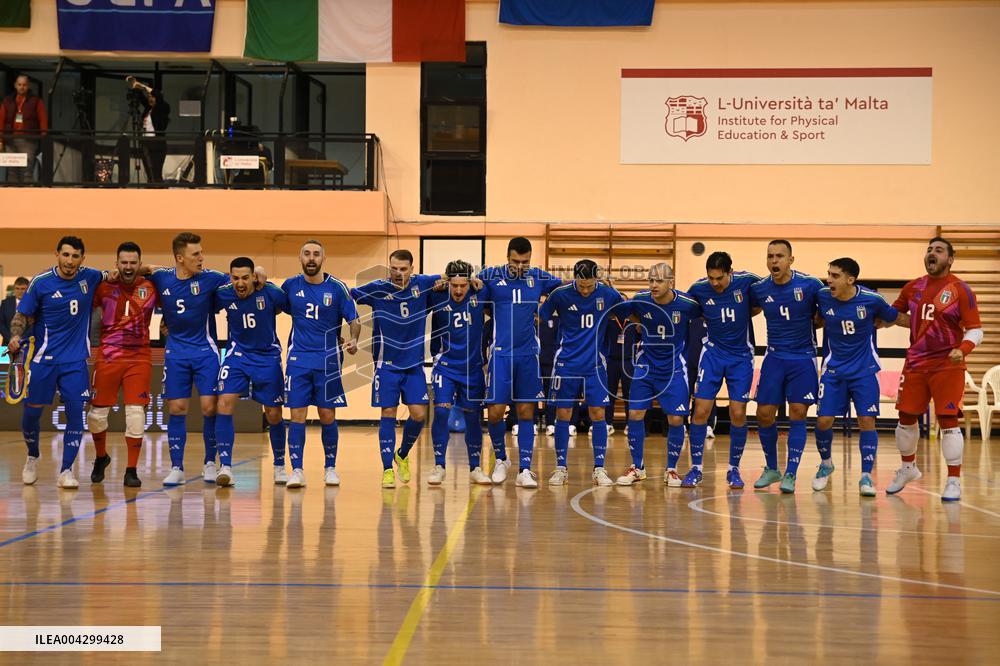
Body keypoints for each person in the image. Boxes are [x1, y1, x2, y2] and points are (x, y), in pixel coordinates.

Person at [886, 237, 983, 501]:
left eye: (939, 250)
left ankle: (953, 481)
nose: (932, 253)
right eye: (929, 250)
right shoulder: (912, 287)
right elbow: (895, 315)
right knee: (905, 418)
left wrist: (961, 350)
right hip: (915, 363)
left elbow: (976, 330)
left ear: (950, 259)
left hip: (947, 366)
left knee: (948, 421)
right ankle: (908, 468)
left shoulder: (960, 289)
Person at [9, 237, 106, 488]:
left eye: (75, 256)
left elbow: (119, 273)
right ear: (57, 255)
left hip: (75, 362)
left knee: (76, 414)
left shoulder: (91, 277)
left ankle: (66, 470)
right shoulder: (41, 283)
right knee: (31, 415)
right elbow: (22, 315)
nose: (70, 261)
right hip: (44, 360)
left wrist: (150, 270)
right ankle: (32, 456)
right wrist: (16, 336)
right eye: (65, 255)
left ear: (82, 259)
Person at [351, 249, 441, 488]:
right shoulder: (377, 288)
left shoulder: (423, 284)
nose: (398, 273)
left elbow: (449, 277)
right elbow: (347, 295)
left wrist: (466, 279)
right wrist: (350, 334)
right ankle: (387, 469)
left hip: (414, 364)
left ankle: (402, 454)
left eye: (403, 269)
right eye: (394, 268)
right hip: (386, 365)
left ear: (412, 269)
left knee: (419, 415)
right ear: (388, 267)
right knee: (387, 414)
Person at [477, 237, 563, 488]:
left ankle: (525, 468)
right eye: (516, 261)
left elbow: (565, 291)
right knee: (494, 413)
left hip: (528, 355)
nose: (520, 266)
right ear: (507, 257)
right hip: (501, 354)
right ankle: (501, 459)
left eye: (525, 261)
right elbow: (471, 290)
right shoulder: (491, 275)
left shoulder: (539, 277)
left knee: (527, 411)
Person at [147, 233, 231, 486]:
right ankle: (177, 467)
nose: (201, 258)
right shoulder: (162, 277)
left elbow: (240, 280)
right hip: (176, 353)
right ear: (180, 258)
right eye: (196, 254)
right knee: (176, 408)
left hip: (205, 352)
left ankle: (209, 462)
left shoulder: (212, 279)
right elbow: (143, 271)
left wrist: (258, 271)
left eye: (201, 253)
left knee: (209, 407)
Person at [812, 258, 898, 496]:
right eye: (828, 274)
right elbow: (815, 320)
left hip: (864, 371)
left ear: (850, 280)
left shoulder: (872, 300)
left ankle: (866, 477)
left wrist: (923, 328)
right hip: (833, 371)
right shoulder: (822, 296)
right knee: (823, 421)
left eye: (835, 275)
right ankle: (826, 464)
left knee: (867, 422)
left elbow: (894, 317)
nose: (829, 279)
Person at [281, 240, 360, 488]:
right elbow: (269, 304)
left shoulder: (337, 287)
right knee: (297, 415)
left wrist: (354, 339)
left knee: (327, 415)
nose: (311, 258)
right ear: (300, 258)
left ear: (323, 258)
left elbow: (354, 319)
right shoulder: (290, 286)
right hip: (298, 359)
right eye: (307, 254)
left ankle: (330, 468)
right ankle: (296, 470)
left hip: (328, 360)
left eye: (316, 254)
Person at [538, 260, 625, 486]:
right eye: (581, 285)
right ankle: (561, 468)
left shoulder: (608, 294)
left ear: (596, 279)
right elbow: (542, 314)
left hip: (595, 363)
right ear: (574, 278)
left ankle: (599, 468)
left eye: (589, 286)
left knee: (598, 414)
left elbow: (625, 309)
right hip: (566, 363)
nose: (585, 290)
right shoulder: (561, 294)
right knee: (563, 415)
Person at [749, 240, 824, 493]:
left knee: (798, 413)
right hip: (774, 356)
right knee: (764, 414)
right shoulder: (759, 288)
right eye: (770, 256)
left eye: (780, 256)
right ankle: (772, 469)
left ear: (791, 260)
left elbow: (825, 313)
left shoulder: (811, 284)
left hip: (803, 358)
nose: (774, 261)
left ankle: (791, 472)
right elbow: (748, 308)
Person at [617, 263, 702, 486]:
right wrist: (640, 325)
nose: (653, 285)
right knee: (635, 414)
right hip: (645, 366)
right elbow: (633, 314)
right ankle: (638, 467)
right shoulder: (641, 299)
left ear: (670, 281)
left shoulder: (687, 304)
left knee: (675, 418)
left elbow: (706, 313)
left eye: (659, 281)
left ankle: (672, 469)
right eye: (651, 280)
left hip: (673, 367)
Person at [686, 252, 761, 489]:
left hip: (741, 356)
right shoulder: (698, 289)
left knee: (738, 412)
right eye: (711, 278)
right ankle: (696, 468)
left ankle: (733, 469)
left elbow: (763, 300)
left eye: (720, 278)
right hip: (713, 355)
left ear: (730, 272)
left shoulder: (748, 280)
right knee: (700, 410)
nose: (715, 283)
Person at [88, 242, 159, 488]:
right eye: (124, 262)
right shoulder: (102, 287)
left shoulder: (152, 286)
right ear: (116, 263)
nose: (128, 267)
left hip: (139, 357)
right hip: (107, 356)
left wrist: (150, 269)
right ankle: (101, 457)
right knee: (96, 416)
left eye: (133, 262)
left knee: (136, 414)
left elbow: (171, 274)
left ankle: (131, 469)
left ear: (140, 264)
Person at [212, 258, 288, 488]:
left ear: (254, 277)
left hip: (267, 357)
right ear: (230, 277)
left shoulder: (271, 293)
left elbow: (298, 312)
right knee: (224, 403)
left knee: (273, 414)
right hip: (237, 356)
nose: (240, 283)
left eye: (245, 278)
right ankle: (225, 466)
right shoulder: (224, 293)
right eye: (235, 278)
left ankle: (279, 465)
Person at [427, 260, 492, 486]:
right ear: (447, 282)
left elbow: (500, 288)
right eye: (454, 285)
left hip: (472, 369)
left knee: (473, 418)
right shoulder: (436, 295)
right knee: (442, 412)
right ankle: (439, 465)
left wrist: (481, 282)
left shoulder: (481, 293)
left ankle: (475, 467)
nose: (458, 290)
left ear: (469, 282)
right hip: (445, 367)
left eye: (462, 285)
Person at [0, 74, 48, 183]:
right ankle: (12, 197)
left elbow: (43, 120)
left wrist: (43, 138)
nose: (22, 87)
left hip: (28, 140)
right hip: (10, 139)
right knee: (11, 170)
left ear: (28, 86)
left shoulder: (36, 101)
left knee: (26, 170)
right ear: (15, 85)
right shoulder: (7, 101)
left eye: (24, 85)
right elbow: (1, 120)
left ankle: (27, 197)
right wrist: (1, 140)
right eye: (19, 84)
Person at [128, 76, 170, 183]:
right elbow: (143, 99)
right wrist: (135, 87)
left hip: (158, 143)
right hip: (146, 142)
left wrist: (141, 86)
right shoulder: (148, 109)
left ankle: (158, 190)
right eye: (149, 97)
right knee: (149, 171)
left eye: (153, 97)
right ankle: (151, 188)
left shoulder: (163, 107)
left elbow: (159, 96)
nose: (150, 98)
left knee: (156, 170)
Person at [1, 276, 30, 345]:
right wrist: (11, 339)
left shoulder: (33, 304)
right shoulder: (5, 303)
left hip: (27, 344)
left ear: (28, 289)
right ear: (14, 289)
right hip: (7, 343)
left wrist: (20, 340)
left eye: (23, 289)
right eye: (17, 288)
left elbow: (34, 325)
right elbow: (1, 323)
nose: (20, 291)